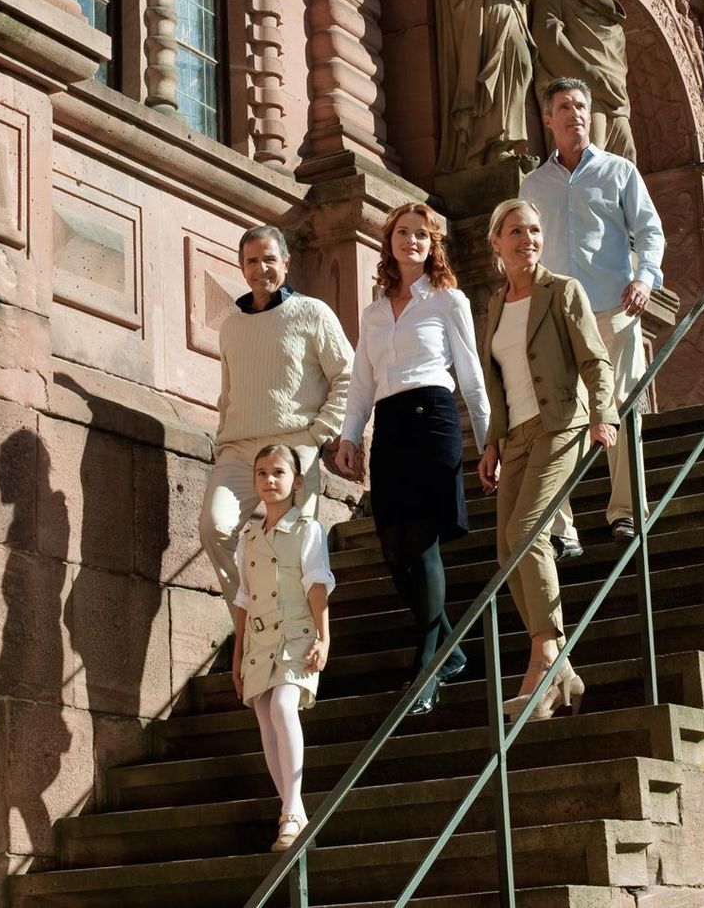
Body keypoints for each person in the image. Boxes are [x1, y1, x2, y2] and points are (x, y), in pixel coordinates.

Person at [335, 203, 490, 716]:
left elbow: (470, 376)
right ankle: (451, 649)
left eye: (421, 235)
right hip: (391, 426)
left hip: (434, 420)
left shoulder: (449, 300)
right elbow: (361, 383)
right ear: (390, 242)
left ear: (432, 245)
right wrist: (349, 436)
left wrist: (489, 440)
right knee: (392, 548)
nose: (411, 242)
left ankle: (426, 666)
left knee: (422, 543)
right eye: (403, 233)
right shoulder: (375, 311)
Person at [478, 199, 618, 719]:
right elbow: (498, 381)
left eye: (534, 230)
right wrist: (492, 441)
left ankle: (543, 656)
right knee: (503, 551)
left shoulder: (563, 291)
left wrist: (604, 415)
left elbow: (594, 359)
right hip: (515, 436)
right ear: (497, 242)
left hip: (563, 424)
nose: (527, 240)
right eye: (515, 231)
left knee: (527, 532)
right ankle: (562, 671)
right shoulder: (494, 304)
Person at [519, 77, 665, 556]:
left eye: (581, 105)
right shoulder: (532, 184)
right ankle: (563, 529)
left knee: (623, 410)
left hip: (615, 310)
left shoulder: (620, 172)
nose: (575, 113)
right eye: (564, 106)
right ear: (548, 119)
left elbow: (650, 232)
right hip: (560, 319)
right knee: (560, 420)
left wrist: (645, 278)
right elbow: (527, 249)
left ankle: (626, 513)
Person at [199, 225, 353, 617]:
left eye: (269, 259)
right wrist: (223, 439)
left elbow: (347, 375)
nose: (260, 268)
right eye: (252, 261)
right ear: (241, 266)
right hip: (238, 449)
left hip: (293, 446)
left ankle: (299, 634)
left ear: (286, 262)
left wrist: (320, 434)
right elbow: (228, 392)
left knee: (294, 547)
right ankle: (250, 624)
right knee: (214, 528)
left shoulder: (312, 313)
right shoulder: (232, 325)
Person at [231, 444, 334, 851]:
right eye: (261, 473)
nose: (269, 480)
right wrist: (237, 654)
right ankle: (293, 809)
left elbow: (317, 584)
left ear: (296, 481)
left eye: (277, 472)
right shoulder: (248, 538)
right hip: (259, 640)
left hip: (297, 636)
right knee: (263, 715)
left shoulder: (309, 530)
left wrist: (324, 638)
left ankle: (291, 812)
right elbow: (243, 596)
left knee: (281, 707)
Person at [520, 0, 636, 161]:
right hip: (585, 89)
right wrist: (588, 76)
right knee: (589, 157)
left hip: (614, 92)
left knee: (626, 158)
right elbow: (548, 36)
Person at [432, 0, 539, 173]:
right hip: (482, 4)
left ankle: (503, 144)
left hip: (505, 2)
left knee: (521, 66)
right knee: (503, 65)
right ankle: (486, 148)